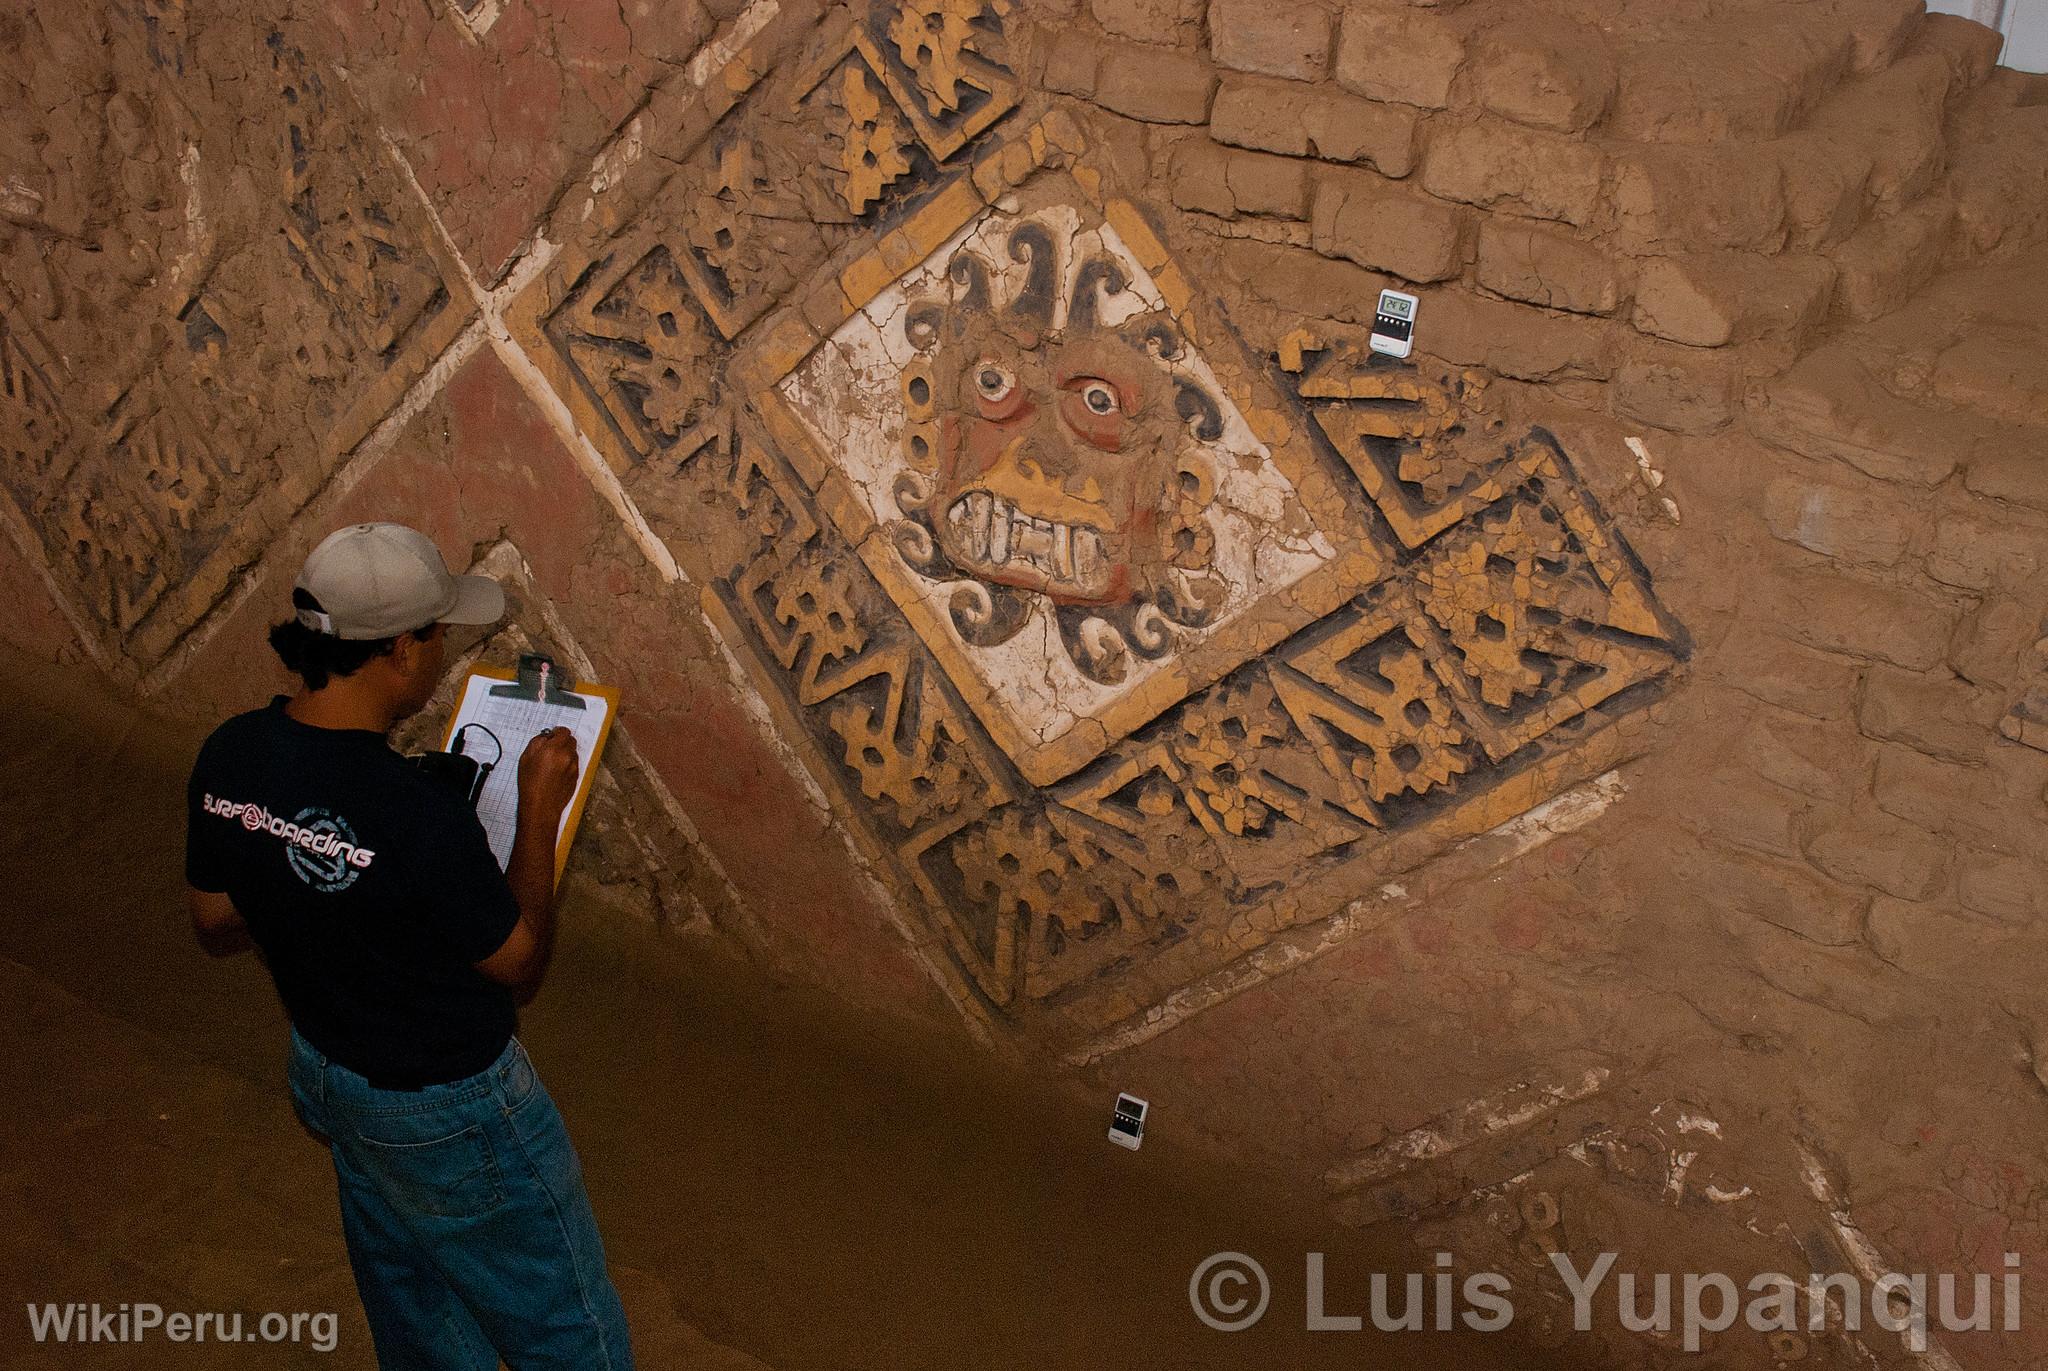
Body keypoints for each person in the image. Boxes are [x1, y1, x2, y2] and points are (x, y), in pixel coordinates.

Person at [183, 521, 633, 1369]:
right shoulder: (415, 813)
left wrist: (317, 881)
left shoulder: (231, 752)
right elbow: (518, 961)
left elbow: (213, 917)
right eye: (439, 637)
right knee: (564, 1327)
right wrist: (536, 810)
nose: (439, 656)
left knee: (418, 1312)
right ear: (400, 649)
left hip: (331, 1070)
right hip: (451, 1106)